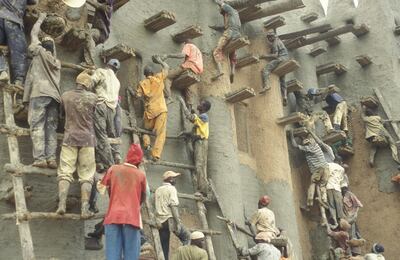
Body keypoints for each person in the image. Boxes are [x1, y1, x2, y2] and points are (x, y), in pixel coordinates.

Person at [56, 71, 97, 219]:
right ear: (88, 84)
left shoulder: (66, 96)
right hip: (87, 139)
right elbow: (96, 119)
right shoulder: (93, 98)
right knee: (86, 176)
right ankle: (85, 209)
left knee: (65, 172)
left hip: (70, 138)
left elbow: (61, 116)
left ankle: (62, 204)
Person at [23, 13, 61, 169]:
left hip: (39, 94)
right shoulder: (57, 62)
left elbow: (33, 34)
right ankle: (51, 159)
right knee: (51, 128)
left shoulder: (38, 52)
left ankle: (40, 159)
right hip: (54, 98)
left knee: (37, 125)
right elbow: (52, 49)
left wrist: (41, 18)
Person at [101, 143, 147, 260]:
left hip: (113, 216)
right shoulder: (141, 175)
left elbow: (102, 188)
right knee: (131, 255)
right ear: (139, 161)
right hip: (132, 217)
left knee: (112, 255)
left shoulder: (113, 169)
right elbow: (144, 196)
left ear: (127, 157)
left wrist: (113, 198)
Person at [133, 57, 169, 161]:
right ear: (153, 73)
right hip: (161, 110)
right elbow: (166, 67)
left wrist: (135, 92)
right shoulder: (158, 78)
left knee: (145, 130)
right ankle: (155, 155)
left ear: (145, 75)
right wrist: (160, 61)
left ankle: (147, 144)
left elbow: (137, 96)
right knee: (161, 133)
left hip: (150, 112)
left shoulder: (142, 83)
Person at [290, 129, 335, 207]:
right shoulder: (316, 146)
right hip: (326, 169)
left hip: (318, 169)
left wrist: (291, 136)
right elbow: (318, 140)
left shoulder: (308, 148)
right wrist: (311, 132)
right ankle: (324, 200)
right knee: (322, 185)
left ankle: (309, 203)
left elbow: (295, 146)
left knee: (312, 184)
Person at [92, 58, 121, 171]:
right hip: (111, 109)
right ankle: (104, 160)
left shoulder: (101, 72)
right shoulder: (117, 82)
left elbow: (90, 83)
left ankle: (110, 165)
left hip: (101, 106)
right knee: (107, 134)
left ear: (106, 65)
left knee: (100, 135)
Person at [157, 39, 203, 110]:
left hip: (189, 66)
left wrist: (168, 55)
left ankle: (169, 97)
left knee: (168, 77)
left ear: (185, 43)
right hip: (197, 72)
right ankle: (190, 107)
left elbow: (182, 55)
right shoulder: (198, 51)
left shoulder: (188, 45)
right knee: (188, 86)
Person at [178, 97, 211, 196]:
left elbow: (189, 117)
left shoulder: (204, 117)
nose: (199, 104)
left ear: (204, 107)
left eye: (201, 103)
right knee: (199, 165)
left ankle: (203, 190)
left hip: (201, 143)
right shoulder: (201, 118)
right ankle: (202, 188)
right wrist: (187, 134)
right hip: (198, 142)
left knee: (199, 165)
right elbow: (196, 131)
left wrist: (182, 102)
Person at [155, 171, 190, 260]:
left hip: (160, 220)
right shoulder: (172, 189)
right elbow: (173, 206)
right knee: (187, 237)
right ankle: (185, 257)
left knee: (164, 246)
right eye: (174, 178)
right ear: (170, 179)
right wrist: (178, 222)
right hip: (169, 219)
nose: (175, 180)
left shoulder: (158, 190)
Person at [0, 0, 37, 86]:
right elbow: (33, 2)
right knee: (19, 49)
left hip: (0, 17)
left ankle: (2, 69)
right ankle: (19, 79)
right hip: (13, 19)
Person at [210, 0, 241, 82]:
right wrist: (215, 27)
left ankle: (220, 71)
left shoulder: (229, 8)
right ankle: (232, 71)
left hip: (229, 33)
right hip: (237, 35)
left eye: (220, 9)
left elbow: (220, 2)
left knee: (216, 50)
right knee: (232, 52)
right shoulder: (235, 14)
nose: (219, 10)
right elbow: (226, 26)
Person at [259, 31, 289, 105]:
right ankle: (285, 96)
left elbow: (275, 55)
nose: (268, 40)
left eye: (269, 38)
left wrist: (264, 56)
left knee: (265, 70)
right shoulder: (279, 41)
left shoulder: (275, 43)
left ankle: (267, 85)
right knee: (282, 80)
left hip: (280, 59)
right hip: (286, 60)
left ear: (272, 37)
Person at [84, 0, 113, 66]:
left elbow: (97, 5)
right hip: (97, 30)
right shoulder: (103, 5)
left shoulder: (108, 8)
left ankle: (90, 63)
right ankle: (86, 62)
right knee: (88, 44)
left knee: (89, 34)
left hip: (102, 33)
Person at [341, 185, 364, 256]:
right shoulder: (343, 197)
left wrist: (354, 213)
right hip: (349, 216)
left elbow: (359, 205)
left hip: (351, 217)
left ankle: (353, 251)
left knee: (351, 232)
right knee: (354, 231)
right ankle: (355, 250)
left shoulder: (349, 195)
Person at [326, 162, 345, 229]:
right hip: (337, 189)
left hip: (329, 187)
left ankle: (335, 222)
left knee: (332, 206)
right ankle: (341, 223)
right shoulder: (342, 169)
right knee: (339, 206)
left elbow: (326, 175)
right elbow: (342, 182)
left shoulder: (328, 165)